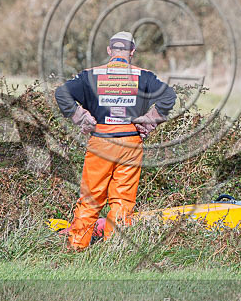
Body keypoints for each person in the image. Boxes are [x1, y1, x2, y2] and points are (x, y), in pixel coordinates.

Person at [55, 31, 176, 251]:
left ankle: (76, 248)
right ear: (132, 52)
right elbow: (169, 97)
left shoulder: (91, 75)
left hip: (100, 143)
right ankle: (115, 251)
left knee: (91, 200)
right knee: (122, 201)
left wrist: (81, 117)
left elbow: (61, 94)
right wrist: (149, 120)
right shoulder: (144, 76)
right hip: (130, 144)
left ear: (110, 51)